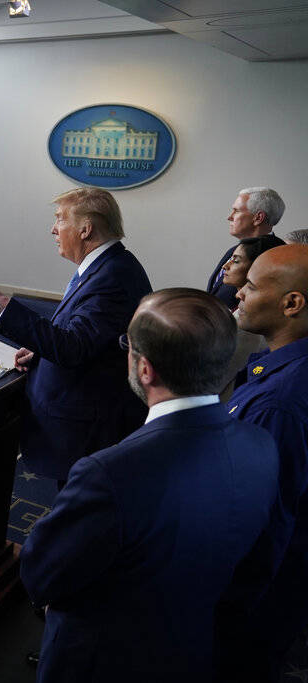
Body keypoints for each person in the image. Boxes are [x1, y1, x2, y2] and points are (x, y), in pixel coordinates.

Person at [20, 289, 278, 682]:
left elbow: (41, 575)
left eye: (128, 345)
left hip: (99, 661)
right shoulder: (262, 445)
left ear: (145, 370)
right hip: (191, 649)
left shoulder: (108, 474)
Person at [0, 187, 151, 485]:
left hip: (87, 427)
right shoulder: (105, 267)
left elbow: (74, 348)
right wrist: (38, 351)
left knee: (84, 513)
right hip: (82, 415)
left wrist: (2, 303)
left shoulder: (112, 276)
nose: (53, 229)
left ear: (85, 229)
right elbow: (86, 337)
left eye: (60, 219)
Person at [220, 244, 308, 680]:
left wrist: (225, 601)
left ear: (292, 303)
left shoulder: (280, 402)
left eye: (251, 286)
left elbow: (266, 517)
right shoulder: (280, 369)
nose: (237, 292)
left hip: (254, 596)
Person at [217, 234, 286, 399]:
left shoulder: (250, 321)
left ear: (258, 266)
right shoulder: (239, 305)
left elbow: (213, 380)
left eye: (236, 260)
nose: (225, 266)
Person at [207, 187, 285, 311]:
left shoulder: (273, 258)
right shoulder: (233, 251)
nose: (230, 217)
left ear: (258, 217)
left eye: (236, 211)